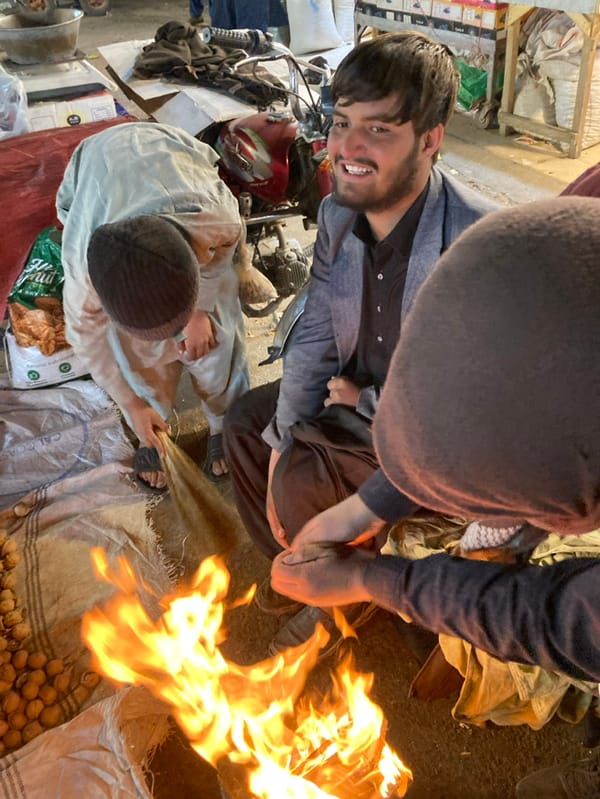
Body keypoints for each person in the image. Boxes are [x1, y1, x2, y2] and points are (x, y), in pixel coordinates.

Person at [271, 196, 600, 798]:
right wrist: (367, 507)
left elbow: (558, 616)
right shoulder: (565, 244)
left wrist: (374, 579)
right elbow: (488, 411)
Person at [223, 31, 498, 655]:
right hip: (350, 392)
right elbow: (318, 327)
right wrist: (281, 441)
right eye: (343, 122)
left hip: (425, 431)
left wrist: (366, 403)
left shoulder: (477, 241)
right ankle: (304, 568)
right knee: (248, 427)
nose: (347, 147)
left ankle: (340, 607)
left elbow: (469, 405)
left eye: (378, 129)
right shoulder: (337, 215)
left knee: (319, 477)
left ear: (429, 139)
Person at [56, 121, 249, 488]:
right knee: (133, 355)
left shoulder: (212, 218)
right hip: (99, 162)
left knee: (218, 335)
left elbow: (226, 245)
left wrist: (200, 310)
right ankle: (152, 425)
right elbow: (89, 343)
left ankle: (225, 422)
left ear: (193, 257)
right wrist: (131, 404)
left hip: (167, 149)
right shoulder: (84, 275)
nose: (172, 343)